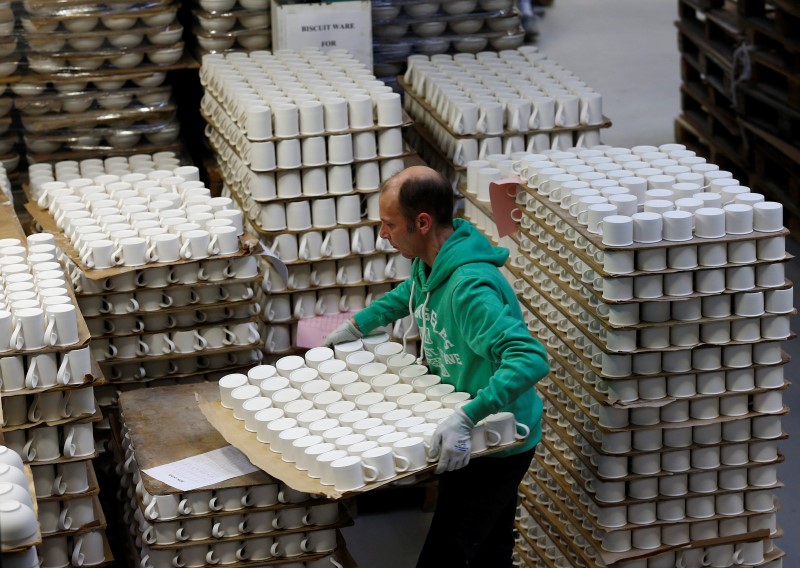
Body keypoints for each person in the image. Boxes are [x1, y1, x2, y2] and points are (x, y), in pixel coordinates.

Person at [323, 165, 550, 567]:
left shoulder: (469, 289)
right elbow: (412, 291)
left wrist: (468, 416)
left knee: (447, 555)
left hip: (498, 436)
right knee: (489, 546)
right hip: (470, 423)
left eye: (389, 224)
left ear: (422, 222)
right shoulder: (432, 262)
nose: (383, 233)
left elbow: (530, 358)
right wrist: (358, 325)